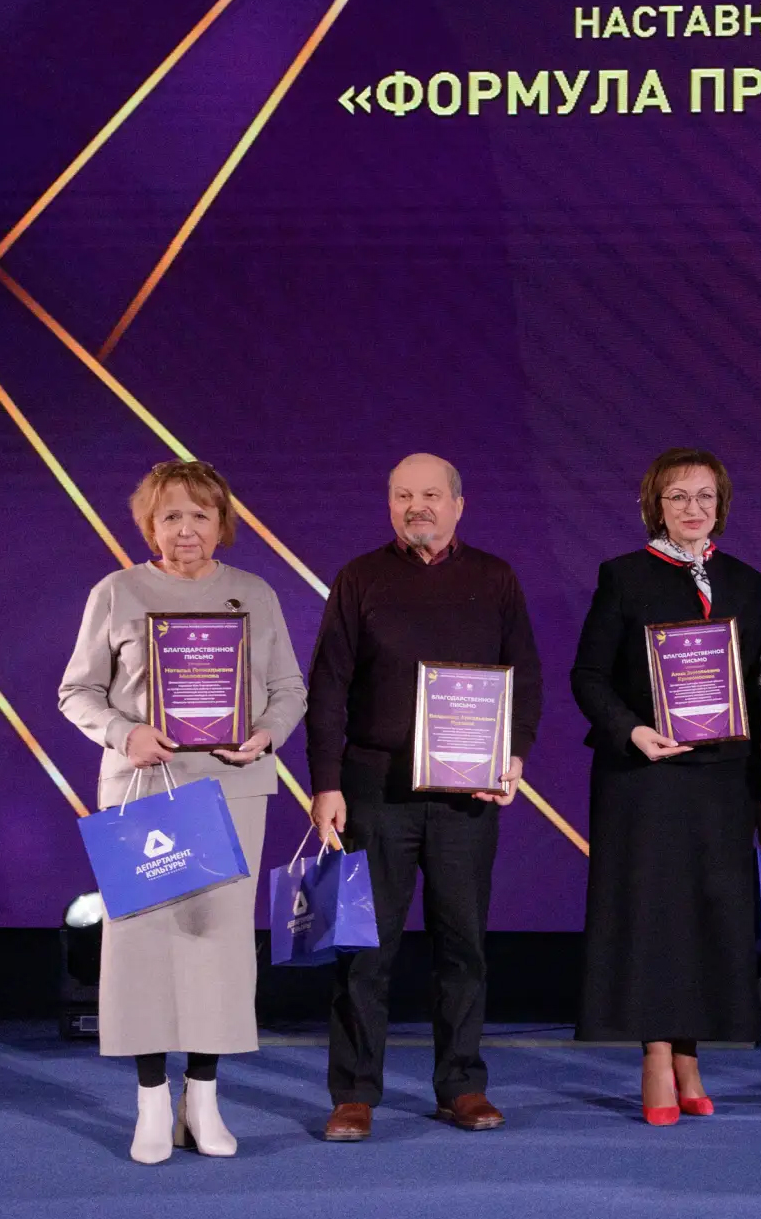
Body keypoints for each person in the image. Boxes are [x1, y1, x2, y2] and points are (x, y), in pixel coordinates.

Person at [58, 459, 308, 1164]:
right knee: (140, 945)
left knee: (217, 948)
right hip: (143, 791)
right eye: (171, 515)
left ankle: (203, 1099)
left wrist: (267, 733)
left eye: (200, 515)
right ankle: (149, 1102)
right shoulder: (116, 592)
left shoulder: (253, 593)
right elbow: (77, 692)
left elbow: (289, 688)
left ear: (222, 524)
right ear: (150, 525)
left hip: (232, 789)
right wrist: (124, 733)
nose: (186, 529)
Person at [306, 453, 543, 1141]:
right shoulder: (359, 578)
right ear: (390, 506)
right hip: (373, 790)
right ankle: (354, 1093)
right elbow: (328, 687)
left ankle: (462, 1085)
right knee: (366, 950)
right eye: (404, 495)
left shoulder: (495, 578)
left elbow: (525, 677)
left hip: (466, 792)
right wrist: (325, 783)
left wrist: (513, 754)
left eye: (432, 495)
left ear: (458, 505)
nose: (419, 507)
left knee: (463, 946)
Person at [570, 449, 761, 1125]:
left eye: (705, 496)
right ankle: (656, 1054)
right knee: (653, 917)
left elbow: (752, 686)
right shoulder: (623, 575)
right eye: (678, 496)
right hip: (644, 778)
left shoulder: (746, 581)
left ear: (722, 505)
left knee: (707, 919)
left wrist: (756, 788)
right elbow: (589, 676)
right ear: (656, 505)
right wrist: (633, 731)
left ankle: (689, 1053)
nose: (692, 508)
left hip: (720, 781)